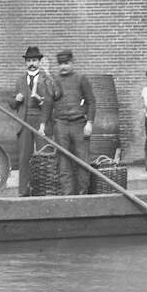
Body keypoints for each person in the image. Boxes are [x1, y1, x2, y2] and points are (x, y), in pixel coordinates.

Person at [11, 46, 60, 196]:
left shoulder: (47, 79)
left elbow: (53, 101)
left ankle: (44, 191)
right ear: (25, 63)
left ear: (39, 62)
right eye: (29, 61)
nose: (31, 63)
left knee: (44, 155)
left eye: (34, 60)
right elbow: (12, 105)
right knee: (24, 158)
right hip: (24, 121)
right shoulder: (20, 80)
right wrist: (16, 100)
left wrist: (42, 101)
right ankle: (23, 192)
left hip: (41, 121)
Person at [49, 50, 96, 196]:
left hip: (79, 124)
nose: (63, 66)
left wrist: (89, 123)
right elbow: (48, 103)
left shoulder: (81, 79)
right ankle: (67, 194)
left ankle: (83, 192)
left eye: (66, 63)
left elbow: (91, 102)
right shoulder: (54, 81)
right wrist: (43, 124)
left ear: (72, 63)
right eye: (60, 64)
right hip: (61, 125)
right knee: (63, 161)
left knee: (83, 160)